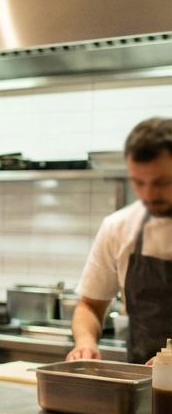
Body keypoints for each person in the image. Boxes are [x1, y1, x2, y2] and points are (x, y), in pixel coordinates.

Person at [69, 118, 172, 364]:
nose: (148, 195)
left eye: (161, 182)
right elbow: (90, 306)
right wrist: (85, 342)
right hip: (143, 388)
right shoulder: (119, 227)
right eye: (139, 182)